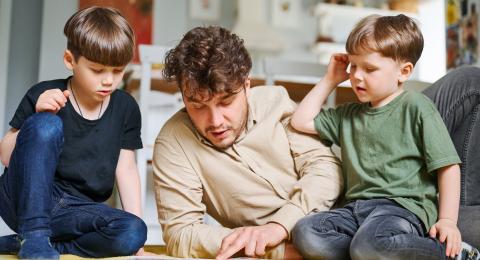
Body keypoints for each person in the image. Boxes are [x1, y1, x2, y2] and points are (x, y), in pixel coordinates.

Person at [291, 14, 480, 259]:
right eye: (354, 66)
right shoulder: (348, 114)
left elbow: (448, 168)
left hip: (402, 209)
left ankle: (450, 254)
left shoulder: (417, 106)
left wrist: (447, 221)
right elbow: (301, 120)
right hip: (355, 210)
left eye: (369, 69)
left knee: (369, 245)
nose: (357, 76)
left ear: (403, 72)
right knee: (306, 232)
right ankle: (372, 254)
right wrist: (330, 79)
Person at [152, 26, 343, 259]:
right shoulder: (173, 143)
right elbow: (182, 235)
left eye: (226, 102)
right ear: (183, 96)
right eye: (198, 106)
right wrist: (276, 250)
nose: (215, 121)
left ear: (246, 84)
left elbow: (326, 169)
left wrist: (279, 227)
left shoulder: (276, 101)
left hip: (351, 219)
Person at [0, 6, 150, 259]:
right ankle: (35, 235)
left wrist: (139, 248)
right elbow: (6, 157)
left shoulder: (125, 107)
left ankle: (34, 241)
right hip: (24, 198)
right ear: (70, 60)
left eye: (117, 70)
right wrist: (38, 116)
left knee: (133, 232)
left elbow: (126, 169)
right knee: (46, 125)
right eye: (98, 70)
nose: (109, 81)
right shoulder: (44, 93)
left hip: (76, 209)